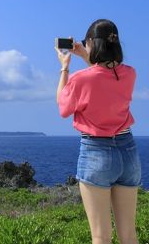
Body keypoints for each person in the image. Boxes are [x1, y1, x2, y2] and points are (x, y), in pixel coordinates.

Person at [55, 19, 140, 244]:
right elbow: (104, 76)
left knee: (101, 236)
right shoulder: (129, 74)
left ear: (92, 42)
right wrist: (87, 55)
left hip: (96, 152)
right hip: (128, 151)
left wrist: (64, 67)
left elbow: (64, 108)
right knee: (129, 234)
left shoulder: (80, 79)